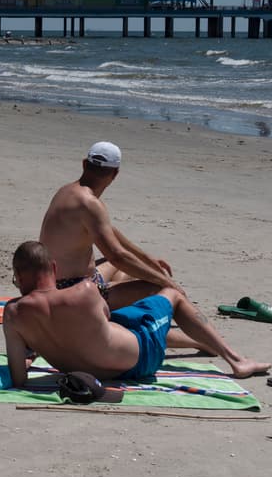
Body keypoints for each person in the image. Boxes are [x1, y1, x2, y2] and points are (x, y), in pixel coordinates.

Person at [2, 241, 269, 387]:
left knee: (119, 322)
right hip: (138, 361)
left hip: (83, 371)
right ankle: (236, 361)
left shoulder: (13, 314)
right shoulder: (83, 291)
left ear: (18, 275)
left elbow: (19, 378)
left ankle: (199, 341)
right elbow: (105, 313)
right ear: (53, 267)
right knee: (170, 294)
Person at [40, 140, 216, 353]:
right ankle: (199, 341)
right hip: (73, 291)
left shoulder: (68, 191)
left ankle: (126, 298)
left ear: (85, 164)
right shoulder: (90, 204)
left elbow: (109, 232)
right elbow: (117, 256)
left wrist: (148, 260)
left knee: (128, 270)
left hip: (53, 281)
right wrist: (165, 280)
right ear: (115, 174)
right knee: (159, 289)